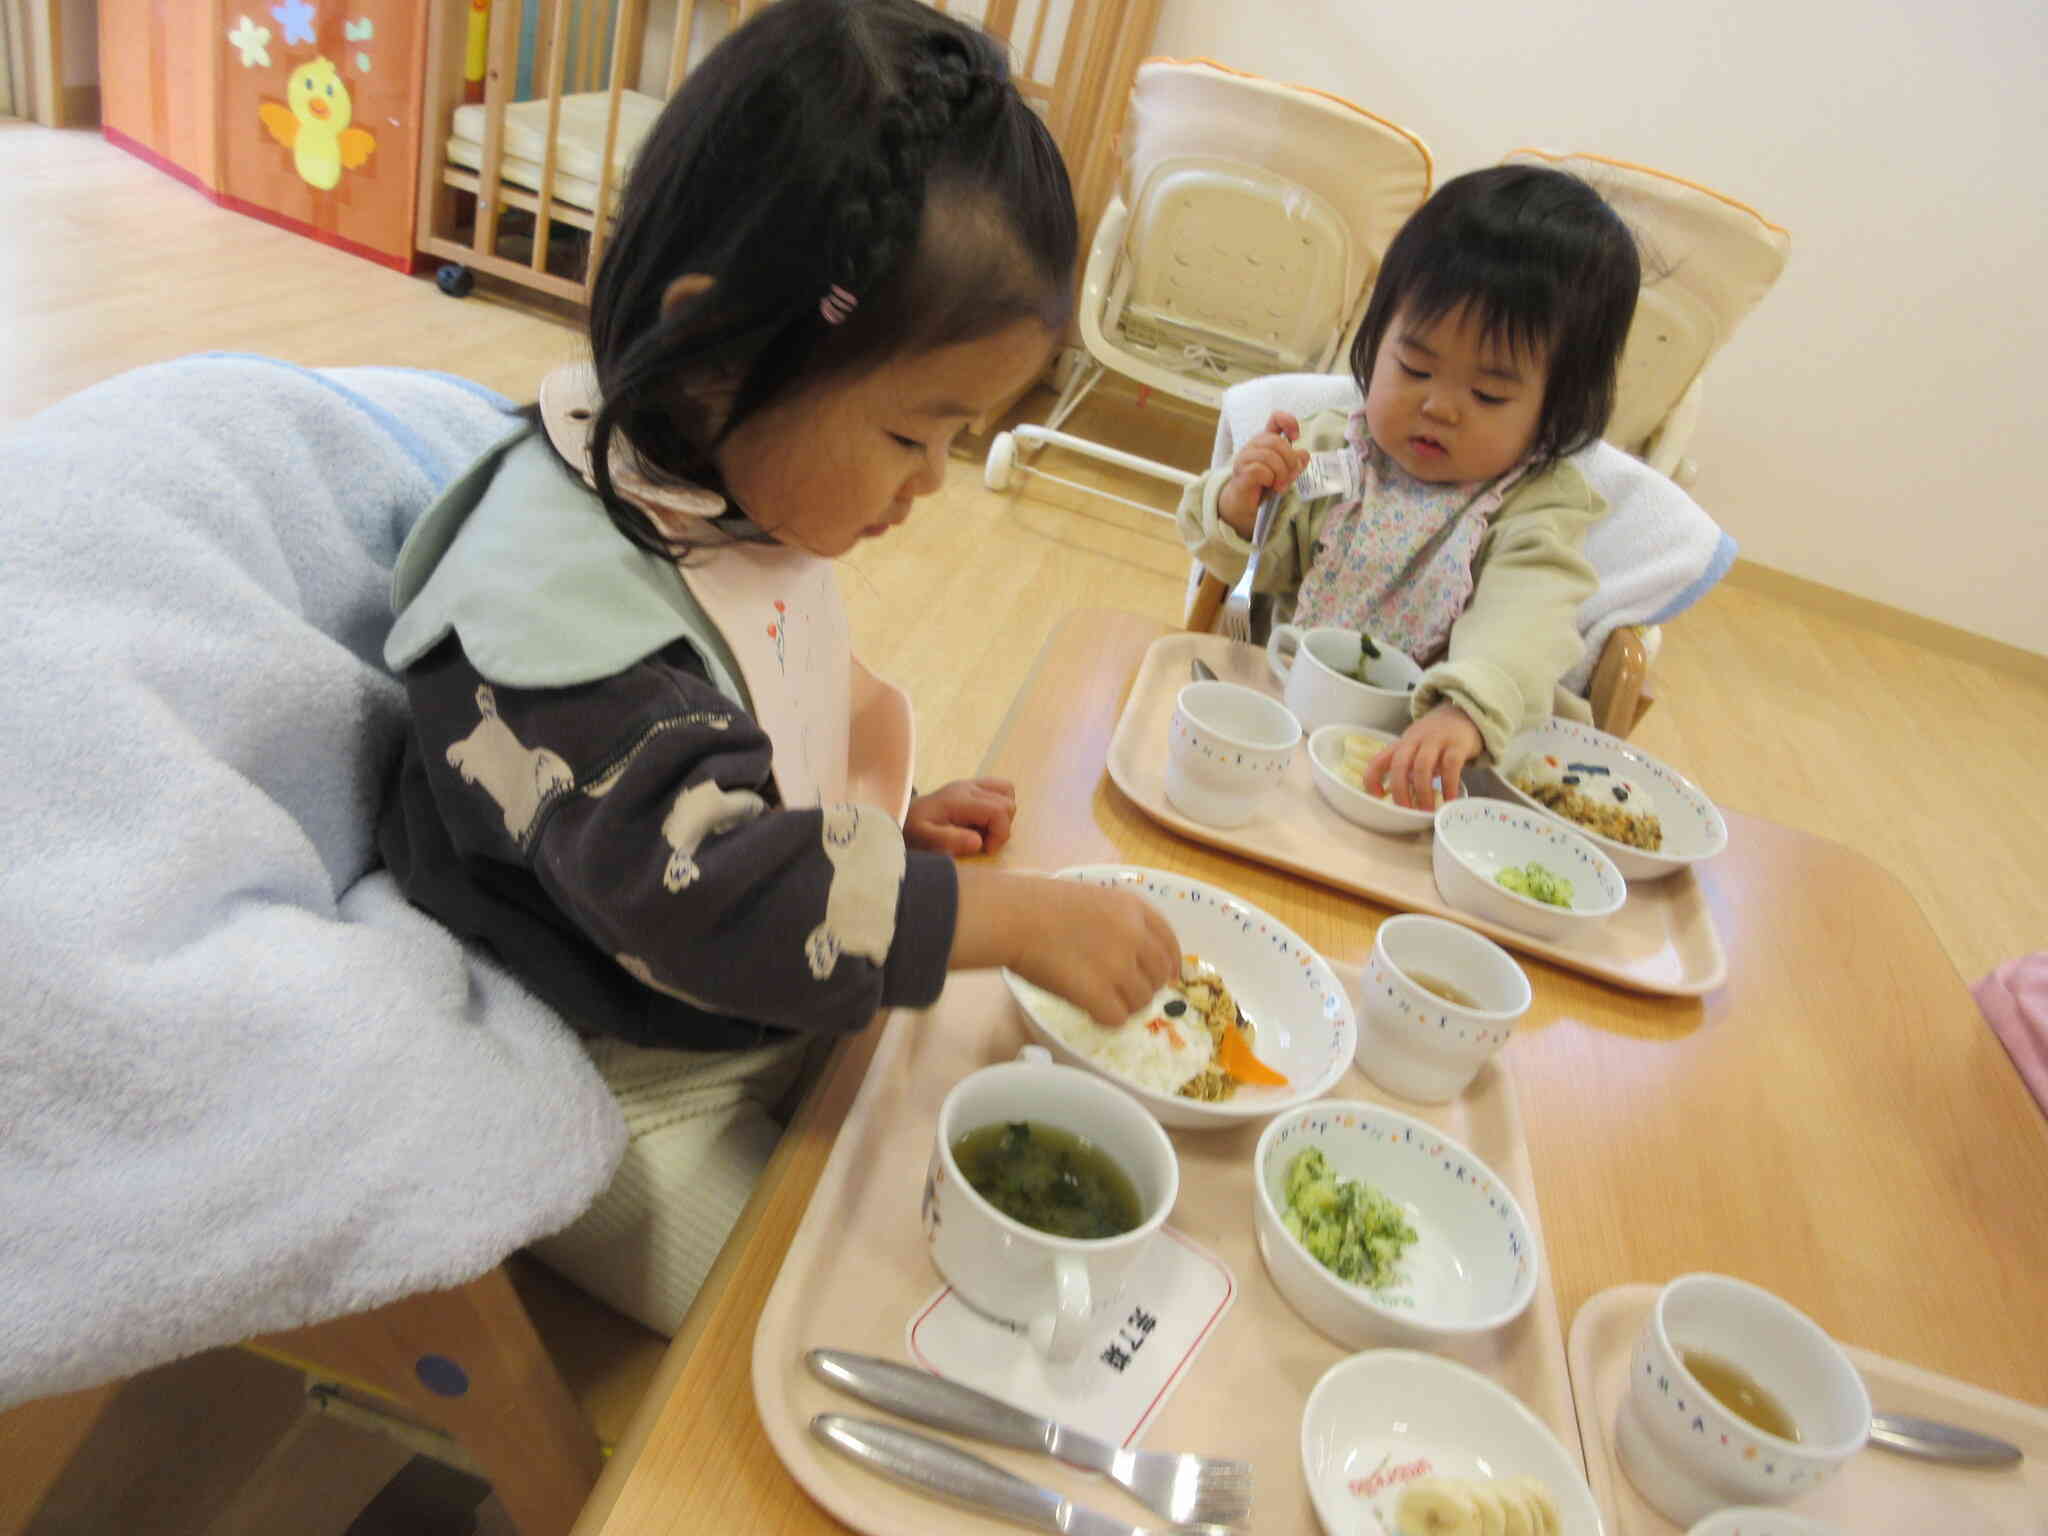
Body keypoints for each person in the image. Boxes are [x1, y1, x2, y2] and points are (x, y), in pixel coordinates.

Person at [375, 0, 1178, 1331]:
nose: (932, 486)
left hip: (735, 987)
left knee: (949, 1141)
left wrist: (887, 833)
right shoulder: (551, 621)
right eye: (915, 434)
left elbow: (724, 768)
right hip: (603, 1065)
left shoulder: (716, 488)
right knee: (816, 1320)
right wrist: (1007, 918)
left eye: (959, 440)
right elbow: (699, 889)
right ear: (719, 355)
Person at [1179, 165, 1641, 808]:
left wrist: (1465, 712)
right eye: (1416, 366)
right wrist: (1242, 502)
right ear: (1378, 340)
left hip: (1433, 778)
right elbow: (1255, 563)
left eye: (1488, 393)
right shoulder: (1335, 449)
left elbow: (1526, 618)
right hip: (1285, 728)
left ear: (1555, 409)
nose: (1441, 407)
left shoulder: (1536, 504)